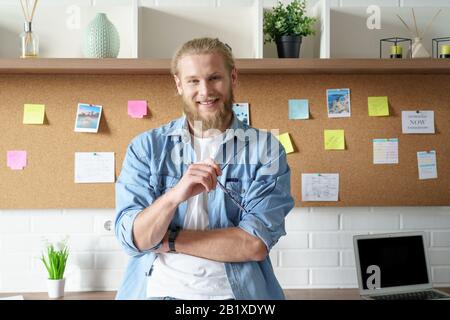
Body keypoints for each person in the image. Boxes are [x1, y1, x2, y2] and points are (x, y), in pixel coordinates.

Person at [114, 37, 294, 300]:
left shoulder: (266, 150)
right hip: (157, 293)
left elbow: (254, 244)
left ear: (233, 77)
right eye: (193, 81)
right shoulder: (146, 148)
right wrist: (176, 195)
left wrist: (169, 241)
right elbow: (136, 239)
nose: (205, 91)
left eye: (214, 78)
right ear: (179, 84)